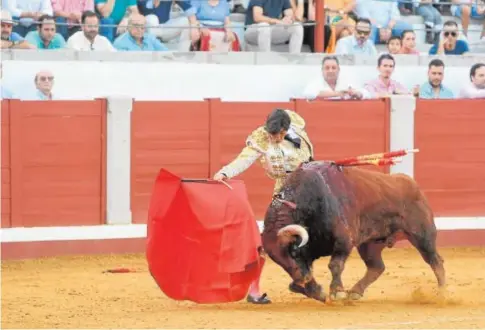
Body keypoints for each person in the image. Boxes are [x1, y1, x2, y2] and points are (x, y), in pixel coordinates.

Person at [212, 108, 314, 304]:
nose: (275, 139)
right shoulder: (260, 138)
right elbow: (244, 159)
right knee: (270, 238)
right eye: (272, 135)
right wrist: (225, 173)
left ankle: (305, 278)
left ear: (287, 128)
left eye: (280, 135)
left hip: (313, 187)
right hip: (284, 192)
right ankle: (255, 290)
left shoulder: (296, 124)